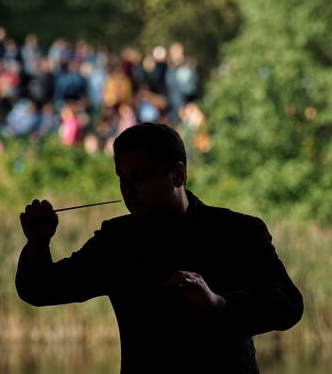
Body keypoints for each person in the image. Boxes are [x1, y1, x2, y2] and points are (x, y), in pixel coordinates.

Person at [16, 122, 304, 373]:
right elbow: (41, 289)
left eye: (140, 177)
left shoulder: (236, 232)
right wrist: (38, 244)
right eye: (122, 178)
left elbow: (289, 304)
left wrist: (219, 304)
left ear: (178, 175)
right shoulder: (117, 243)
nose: (128, 190)